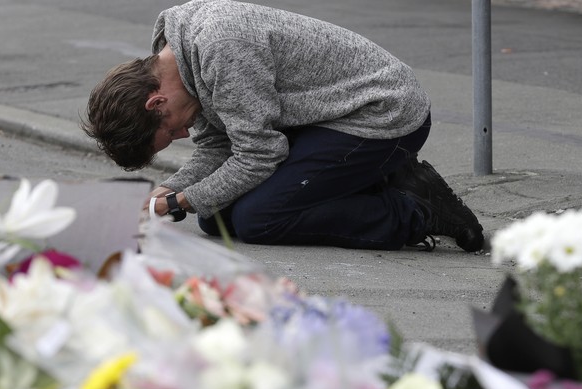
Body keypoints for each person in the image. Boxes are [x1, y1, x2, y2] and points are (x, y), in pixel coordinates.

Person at [83, 0, 484, 252]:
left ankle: (416, 209)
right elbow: (217, 149)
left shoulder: (221, 49)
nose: (183, 135)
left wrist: (178, 203)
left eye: (170, 131)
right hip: (321, 119)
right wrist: (173, 188)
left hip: (382, 114)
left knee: (260, 218)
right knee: (217, 217)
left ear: (156, 101)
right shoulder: (179, 63)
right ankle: (382, 179)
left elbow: (258, 154)